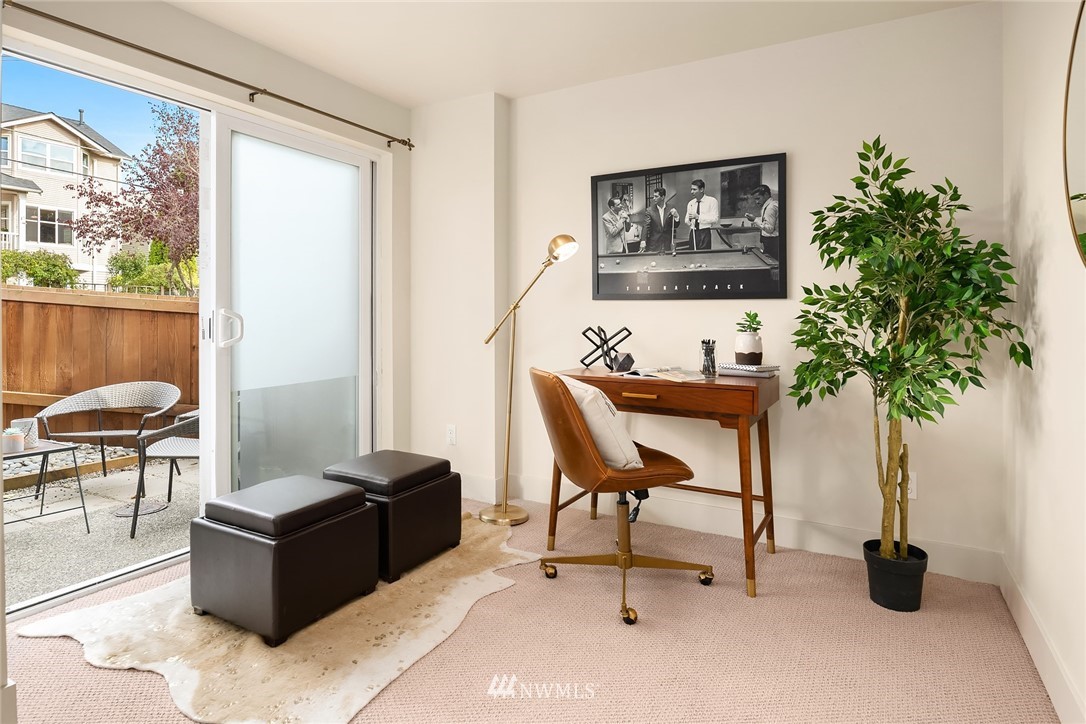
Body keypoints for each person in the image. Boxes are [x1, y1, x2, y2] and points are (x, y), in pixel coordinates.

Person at [745, 184, 780, 259]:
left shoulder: (770, 207)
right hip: (771, 242)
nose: (757, 202)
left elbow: (769, 229)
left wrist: (754, 220)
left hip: (772, 243)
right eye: (755, 199)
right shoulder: (769, 205)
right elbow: (766, 220)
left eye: (758, 198)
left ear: (766, 195)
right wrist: (755, 219)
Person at [643, 187, 680, 253]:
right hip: (654, 245)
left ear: (662, 197)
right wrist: (643, 241)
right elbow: (646, 226)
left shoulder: (671, 208)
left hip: (667, 245)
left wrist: (677, 216)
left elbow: (675, 225)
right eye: (654, 196)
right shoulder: (649, 211)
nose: (654, 198)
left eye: (656, 196)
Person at [685, 179, 719, 251]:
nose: (692, 192)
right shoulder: (690, 203)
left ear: (701, 189)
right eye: (691, 189)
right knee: (692, 256)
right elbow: (686, 220)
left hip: (705, 233)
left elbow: (715, 219)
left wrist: (698, 217)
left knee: (704, 256)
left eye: (694, 189)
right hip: (693, 232)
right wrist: (689, 220)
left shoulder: (712, 201)